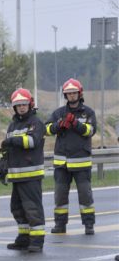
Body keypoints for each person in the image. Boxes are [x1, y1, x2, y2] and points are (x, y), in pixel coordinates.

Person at [45, 78, 97, 235]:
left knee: (85, 196)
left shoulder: (88, 112)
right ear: (65, 95)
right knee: (60, 197)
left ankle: (89, 225)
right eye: (68, 93)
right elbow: (46, 130)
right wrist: (58, 125)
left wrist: (76, 124)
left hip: (81, 164)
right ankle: (60, 225)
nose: (71, 96)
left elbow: (90, 131)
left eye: (74, 93)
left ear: (79, 94)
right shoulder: (58, 113)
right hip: (62, 164)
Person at [0, 88, 46, 253]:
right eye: (18, 105)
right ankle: (24, 238)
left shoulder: (36, 123)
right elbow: (8, 149)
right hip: (17, 175)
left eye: (24, 104)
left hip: (31, 174)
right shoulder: (13, 125)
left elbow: (32, 141)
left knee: (32, 208)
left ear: (30, 104)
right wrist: (3, 167)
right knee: (17, 208)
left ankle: (37, 240)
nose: (21, 107)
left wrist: (12, 140)